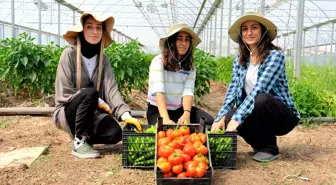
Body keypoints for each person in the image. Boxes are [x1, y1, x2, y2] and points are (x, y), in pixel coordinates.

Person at [211, 11, 300, 162]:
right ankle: (260, 145)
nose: (249, 32)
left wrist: (237, 119)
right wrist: (220, 118)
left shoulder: (274, 56)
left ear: (263, 31)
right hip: (256, 109)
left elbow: (261, 88)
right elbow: (232, 92)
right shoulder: (239, 61)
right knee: (229, 117)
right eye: (245, 29)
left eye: (254, 28)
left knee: (261, 99)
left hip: (282, 115)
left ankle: (270, 147)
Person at [52, 12, 142, 159]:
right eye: (89, 27)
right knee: (90, 93)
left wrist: (125, 115)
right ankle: (79, 142)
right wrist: (96, 99)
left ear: (103, 32)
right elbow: (64, 93)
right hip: (68, 111)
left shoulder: (103, 59)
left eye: (99, 28)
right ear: (82, 30)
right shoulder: (68, 55)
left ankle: (85, 136)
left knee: (115, 134)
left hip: (92, 113)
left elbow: (111, 89)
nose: (95, 31)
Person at [146, 23, 214, 125]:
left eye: (187, 40)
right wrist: (165, 118)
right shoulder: (158, 62)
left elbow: (188, 90)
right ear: (171, 42)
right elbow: (159, 91)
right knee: (164, 131)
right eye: (179, 39)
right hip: (158, 110)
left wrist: (186, 113)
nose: (184, 43)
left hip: (179, 109)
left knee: (208, 121)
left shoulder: (189, 66)